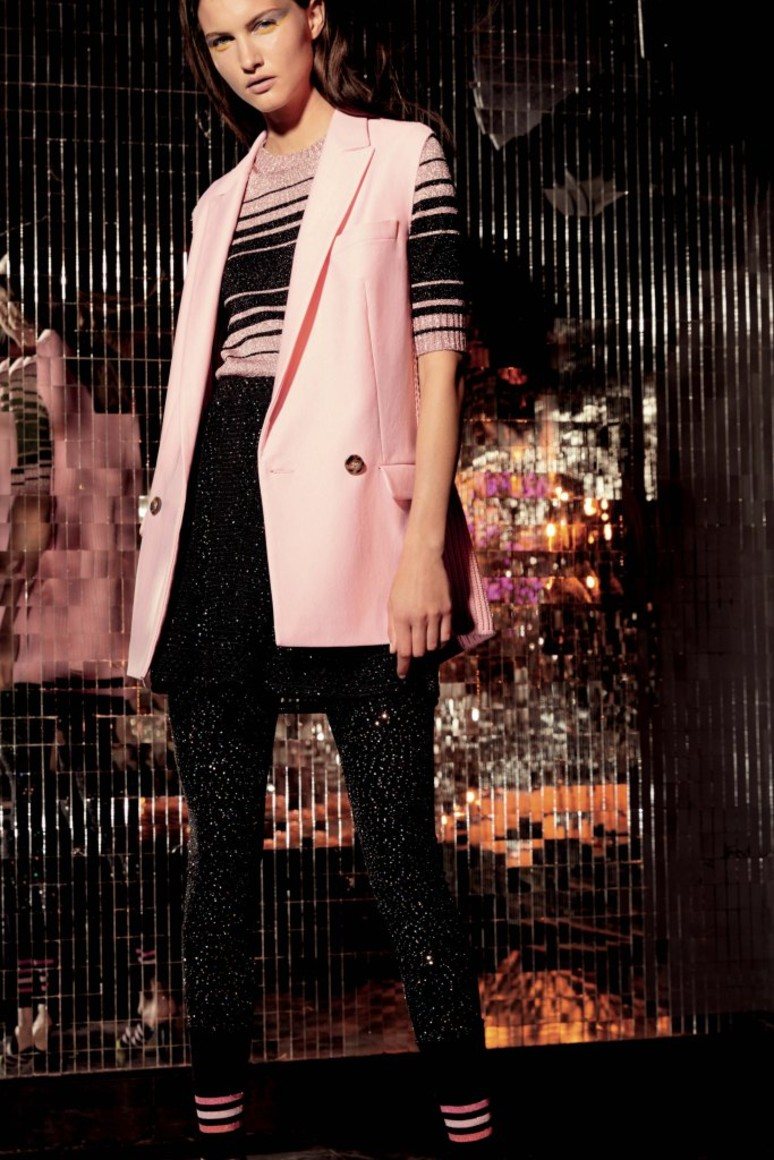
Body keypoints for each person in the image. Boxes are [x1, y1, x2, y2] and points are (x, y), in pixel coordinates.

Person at [125, 3, 499, 1158]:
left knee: (403, 864)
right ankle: (219, 1138)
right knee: (220, 871)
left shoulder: (403, 154)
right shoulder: (214, 203)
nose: (246, 55)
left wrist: (422, 546)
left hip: (352, 534)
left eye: (264, 22)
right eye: (221, 37)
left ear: (313, 14)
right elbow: (198, 398)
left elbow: (440, 358)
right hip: (217, 534)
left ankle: (472, 1136)